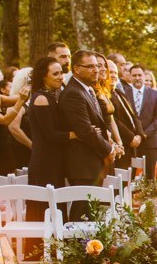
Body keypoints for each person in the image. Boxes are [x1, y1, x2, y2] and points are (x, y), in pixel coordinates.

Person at [60, 51, 117, 220]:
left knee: (90, 214)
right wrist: (109, 149)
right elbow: (85, 131)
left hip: (92, 162)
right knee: (81, 215)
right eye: (90, 66)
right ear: (76, 69)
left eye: (97, 66)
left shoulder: (87, 90)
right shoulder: (73, 93)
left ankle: (91, 246)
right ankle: (76, 245)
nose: (96, 70)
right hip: (82, 164)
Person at [27, 57, 76, 219]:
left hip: (54, 158)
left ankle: (56, 241)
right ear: (43, 76)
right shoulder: (41, 99)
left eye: (61, 73)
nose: (60, 77)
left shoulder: (52, 96)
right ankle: (41, 243)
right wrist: (76, 135)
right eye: (55, 73)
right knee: (45, 205)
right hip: (45, 161)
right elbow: (51, 134)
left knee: (56, 204)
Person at [130, 64, 157, 179]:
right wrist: (133, 136)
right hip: (131, 141)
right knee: (130, 177)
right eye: (134, 75)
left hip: (150, 141)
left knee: (150, 177)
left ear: (144, 76)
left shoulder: (154, 94)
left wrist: (143, 135)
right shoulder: (124, 93)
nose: (137, 77)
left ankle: (151, 196)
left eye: (140, 75)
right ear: (130, 77)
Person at [109, 60, 143, 171]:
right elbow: (113, 119)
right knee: (121, 183)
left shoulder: (119, 91)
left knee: (130, 182)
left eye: (114, 72)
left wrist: (139, 134)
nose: (113, 75)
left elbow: (133, 115)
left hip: (133, 144)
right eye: (110, 72)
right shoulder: (105, 96)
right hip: (122, 144)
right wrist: (130, 137)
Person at [7, 67, 34, 171]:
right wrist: (32, 145)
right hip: (22, 150)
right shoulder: (17, 102)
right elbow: (14, 128)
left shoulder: (32, 101)